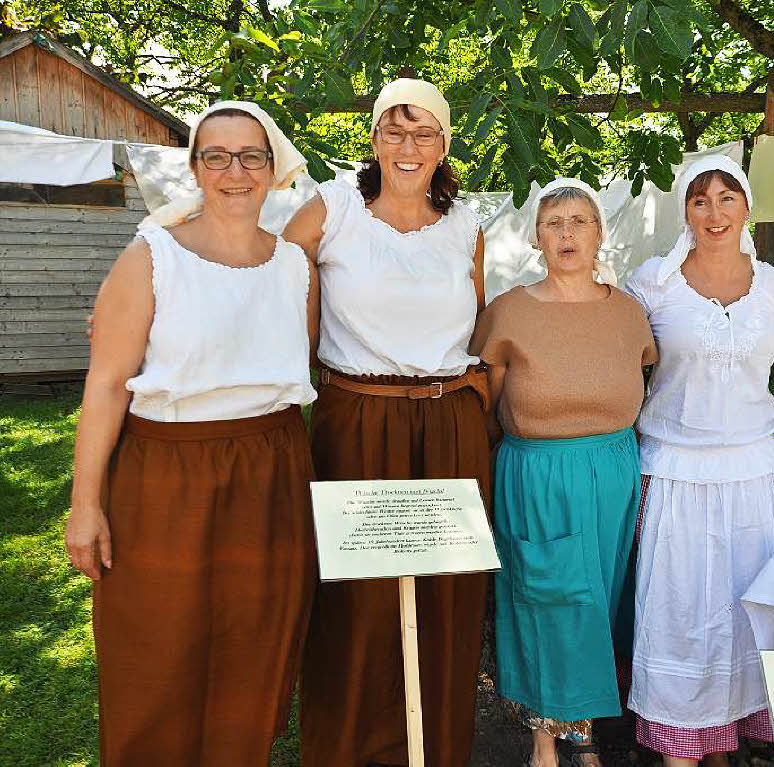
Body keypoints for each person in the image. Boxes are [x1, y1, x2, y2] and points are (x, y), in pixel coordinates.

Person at [64, 101, 319, 764]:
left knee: (254, 649)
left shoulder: (296, 267)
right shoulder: (151, 258)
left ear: (272, 168)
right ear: (196, 168)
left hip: (271, 473)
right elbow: (107, 384)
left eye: (250, 155)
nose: (235, 171)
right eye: (216, 155)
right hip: (166, 476)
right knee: (156, 652)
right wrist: (85, 504)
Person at [283, 78, 491, 767]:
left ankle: (433, 750)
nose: (408, 146)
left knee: (447, 603)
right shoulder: (332, 209)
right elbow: (264, 282)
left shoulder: (466, 225)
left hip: (449, 426)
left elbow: (483, 325)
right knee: (354, 605)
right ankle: (348, 752)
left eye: (424, 132)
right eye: (394, 131)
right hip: (356, 421)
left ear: (444, 144)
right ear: (372, 139)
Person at [625, 155, 774, 767]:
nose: (714, 212)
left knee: (746, 613)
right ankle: (683, 745)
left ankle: (725, 740)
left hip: (756, 477)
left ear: (747, 207)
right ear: (685, 210)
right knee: (680, 614)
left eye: (727, 198)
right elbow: (616, 360)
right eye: (700, 200)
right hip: (676, 470)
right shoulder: (653, 282)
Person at [470, 179, 657, 767]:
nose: (568, 233)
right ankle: (545, 742)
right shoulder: (508, 312)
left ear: (601, 233)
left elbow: (643, 379)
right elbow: (489, 403)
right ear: (535, 237)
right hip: (539, 473)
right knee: (546, 598)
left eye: (580, 221)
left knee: (599, 605)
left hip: (613, 473)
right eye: (553, 222)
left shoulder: (629, 312)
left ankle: (588, 733)